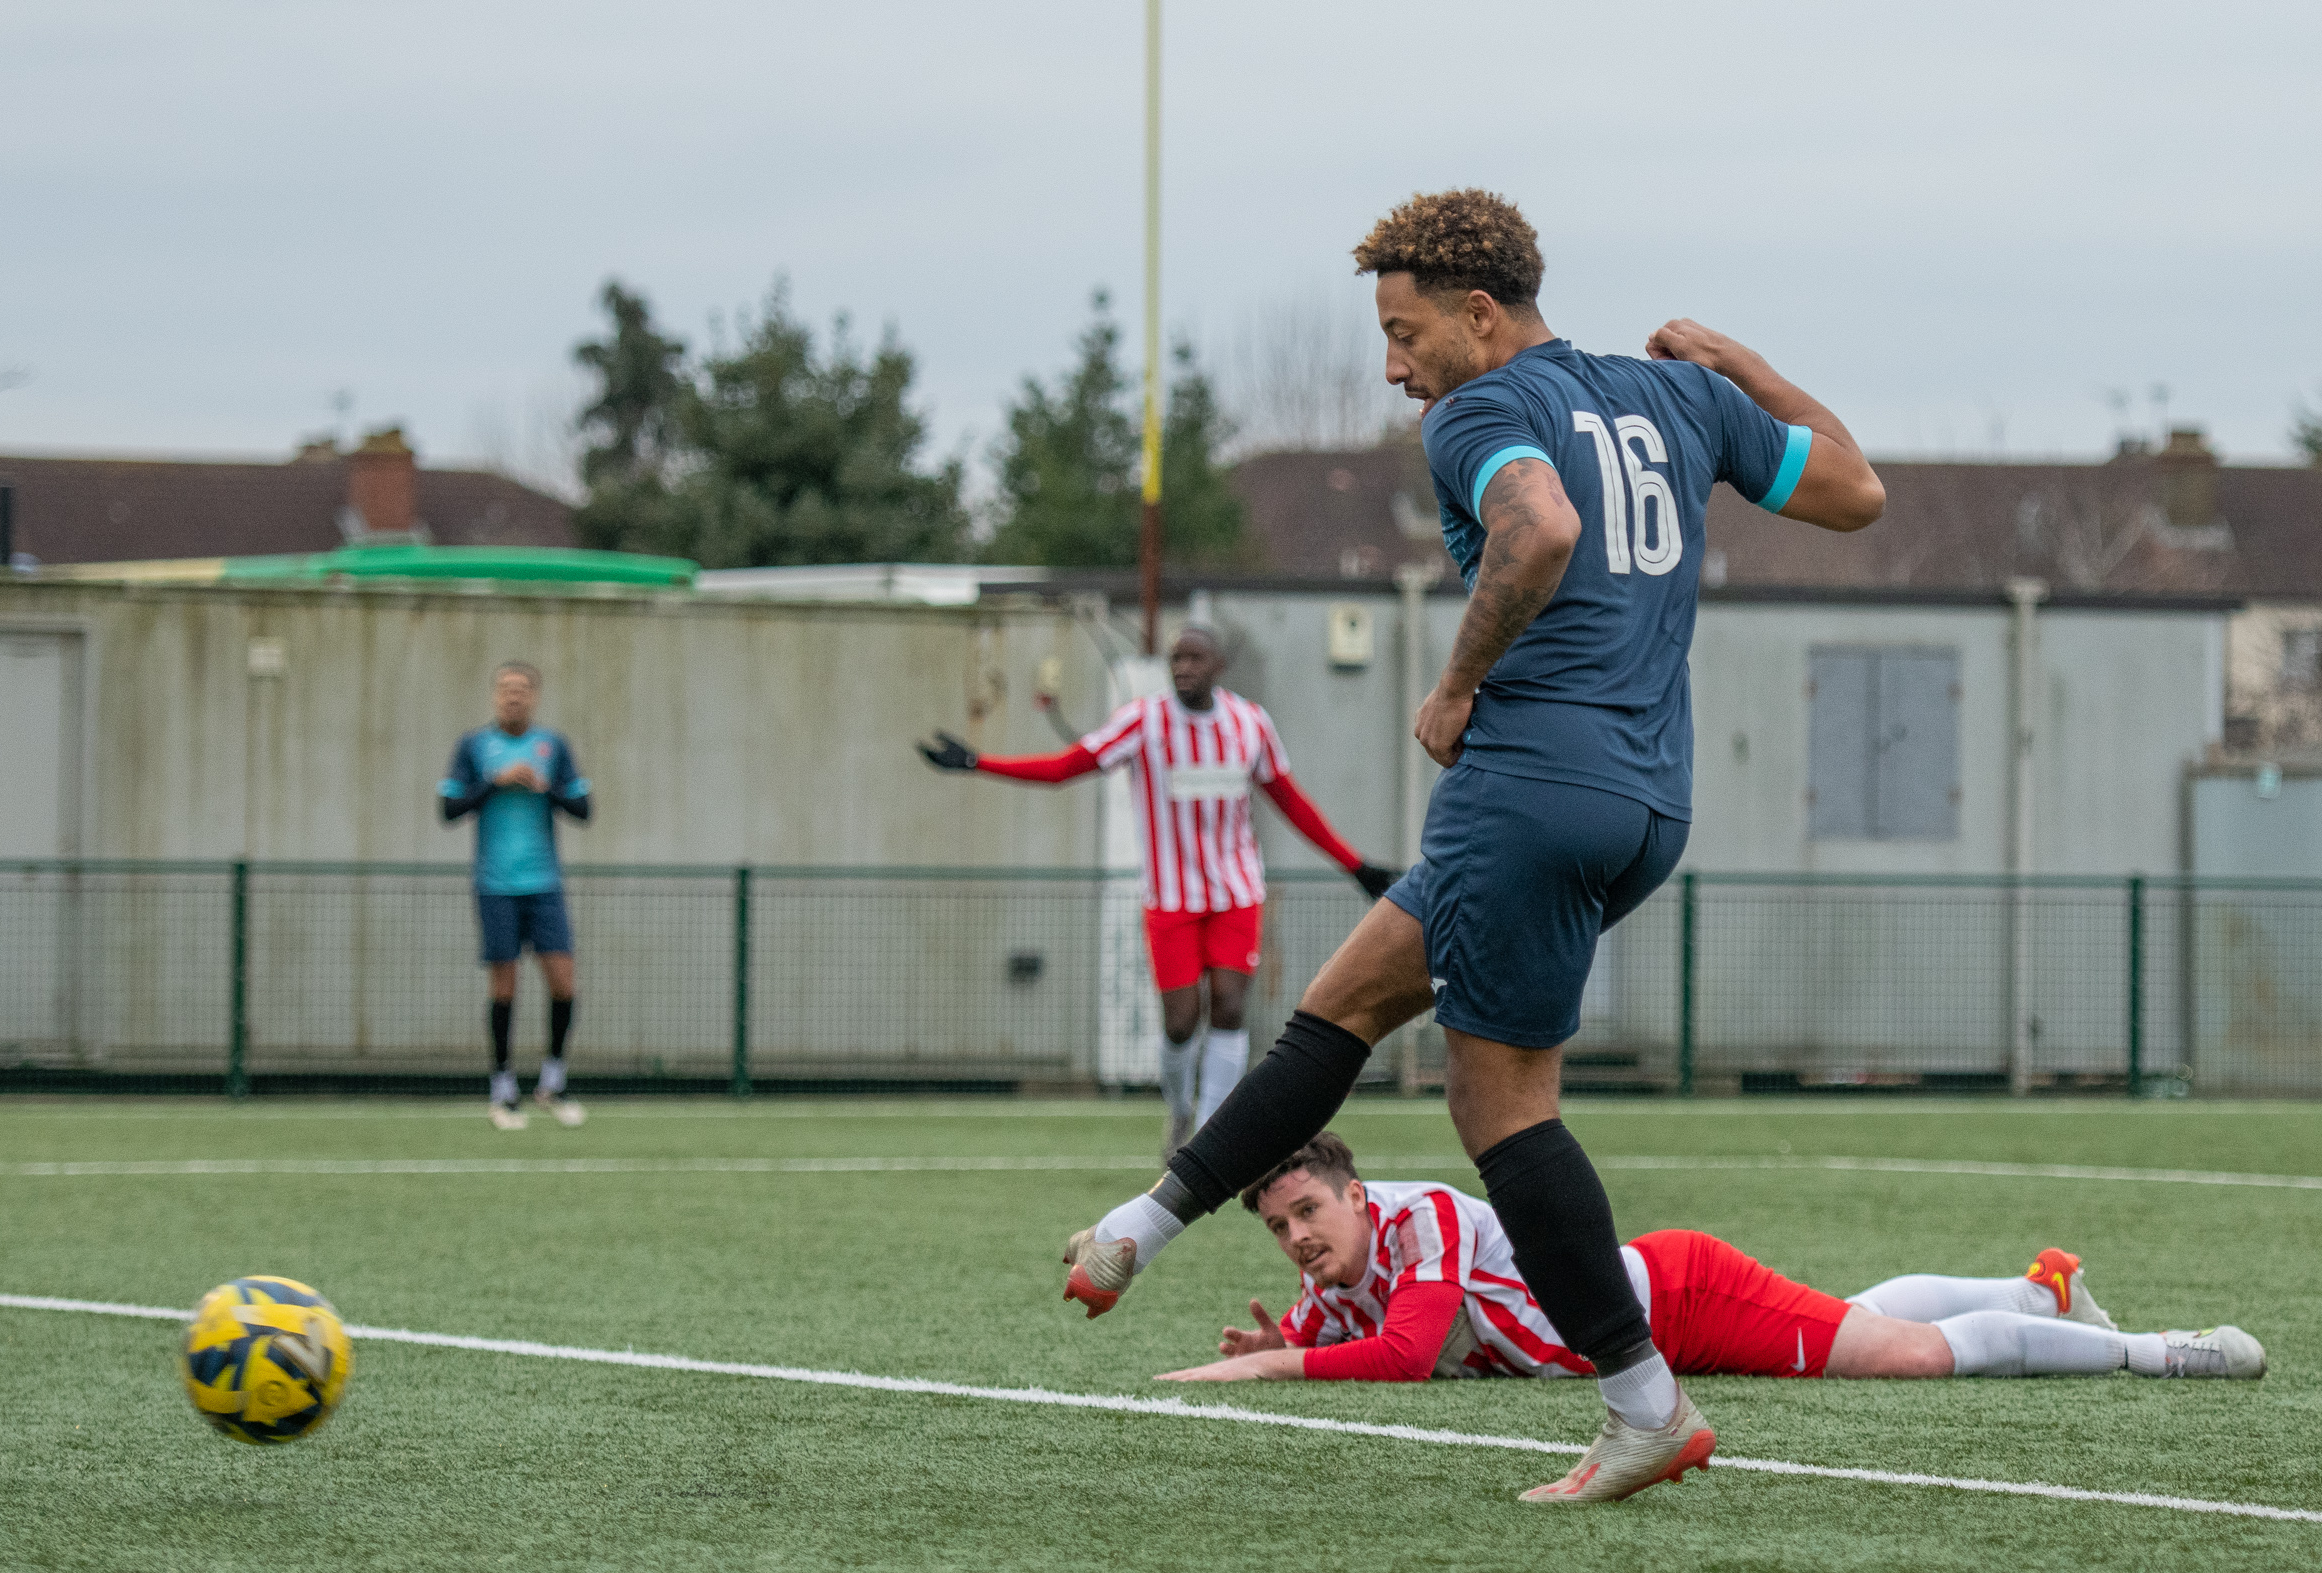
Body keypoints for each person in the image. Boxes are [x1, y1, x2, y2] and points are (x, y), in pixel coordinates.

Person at [1059, 188, 1890, 1503]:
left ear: (1481, 315)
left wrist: (1455, 686)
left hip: (1529, 789)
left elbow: (1539, 526)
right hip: (1646, 803)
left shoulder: (1479, 410)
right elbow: (1856, 489)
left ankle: (1645, 1408)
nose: (1395, 369)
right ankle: (1136, 1229)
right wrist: (1741, 364)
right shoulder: (1683, 395)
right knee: (1347, 1002)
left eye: (1404, 335)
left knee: (1497, 1109)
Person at [1158, 1134, 2266, 1424]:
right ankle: (2040, 1292)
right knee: (1853, 1320)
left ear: (1356, 1194)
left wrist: (1270, 1371)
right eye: (1280, 1226)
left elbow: (1403, 1357)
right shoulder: (1336, 1277)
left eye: (1309, 1211)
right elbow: (1347, 1331)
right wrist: (1281, 1343)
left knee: (1907, 1358)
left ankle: (2160, 1351)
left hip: (1680, 1299)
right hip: (1656, 1319)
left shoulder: (1421, 1219)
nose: (1297, 1237)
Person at [920, 624, 1397, 1160]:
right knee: (1180, 1021)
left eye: (1195, 659)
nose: (1183, 668)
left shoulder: (1250, 722)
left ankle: (1213, 1136)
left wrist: (1355, 866)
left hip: (1237, 891)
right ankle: (1179, 1109)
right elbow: (1066, 768)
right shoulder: (1143, 721)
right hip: (1171, 898)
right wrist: (978, 762)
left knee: (1229, 1005)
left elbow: (1289, 800)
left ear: (1218, 666)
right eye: (1176, 659)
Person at [438, 661, 592, 1130]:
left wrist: (545, 786)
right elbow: (449, 808)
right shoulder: (474, 746)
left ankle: (553, 1082)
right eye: (506, 688)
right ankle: (503, 1089)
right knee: (504, 986)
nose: (513, 696)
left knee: (564, 982)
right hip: (495, 885)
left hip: (544, 884)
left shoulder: (553, 746)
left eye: (522, 689)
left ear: (534, 697)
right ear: (494, 695)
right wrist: (495, 782)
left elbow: (583, 808)